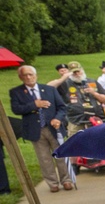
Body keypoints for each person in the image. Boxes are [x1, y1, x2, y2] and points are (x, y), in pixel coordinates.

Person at [8, 65, 74, 193]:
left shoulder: (49, 90)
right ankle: (52, 183)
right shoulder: (16, 92)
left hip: (54, 128)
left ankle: (66, 180)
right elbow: (16, 109)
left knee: (60, 154)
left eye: (30, 74)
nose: (28, 77)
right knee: (44, 158)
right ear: (20, 77)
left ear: (35, 75)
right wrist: (34, 105)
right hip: (35, 130)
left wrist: (58, 119)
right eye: (25, 75)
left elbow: (62, 107)